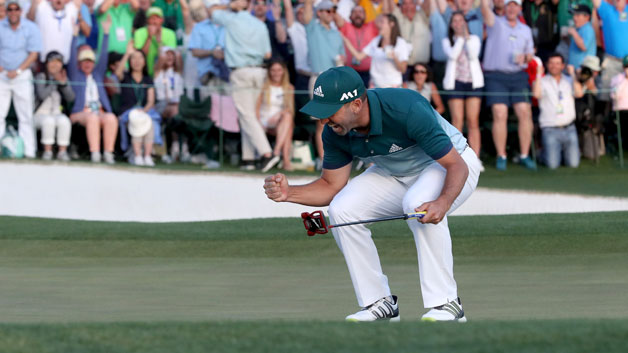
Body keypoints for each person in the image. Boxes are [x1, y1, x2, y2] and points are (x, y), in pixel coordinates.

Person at [263, 66, 481, 322]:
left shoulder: (405, 108)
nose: (324, 121)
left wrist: (443, 203)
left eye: (329, 112)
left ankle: (448, 304)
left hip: (451, 164)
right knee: (342, 209)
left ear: (356, 104)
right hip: (394, 170)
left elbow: (456, 166)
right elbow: (331, 186)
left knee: (417, 204)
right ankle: (380, 303)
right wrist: (289, 193)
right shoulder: (335, 132)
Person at [209, 0, 277, 172]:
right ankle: (248, 159)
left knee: (246, 116)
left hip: (241, 72)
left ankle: (267, 153)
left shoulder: (230, 18)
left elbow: (210, 10)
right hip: (259, 71)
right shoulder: (260, 24)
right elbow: (267, 54)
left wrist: (229, 6)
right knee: (248, 116)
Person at [481, 0, 536, 170]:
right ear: (505, 8)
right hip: (496, 76)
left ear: (520, 8)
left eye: (515, 5)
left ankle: (525, 155)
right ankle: (501, 156)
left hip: (518, 75)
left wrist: (526, 58)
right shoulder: (495, 23)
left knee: (524, 112)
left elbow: (530, 53)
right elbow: (484, 8)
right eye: (509, 5)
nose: (512, 8)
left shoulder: (525, 30)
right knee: (500, 113)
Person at [68, 15, 118, 164]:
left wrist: (107, 33)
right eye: (84, 61)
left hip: (99, 110)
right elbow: (71, 57)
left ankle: (108, 153)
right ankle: (95, 153)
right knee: (92, 118)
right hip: (81, 112)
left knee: (111, 118)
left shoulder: (97, 74)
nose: (87, 64)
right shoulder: (75, 74)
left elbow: (103, 56)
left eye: (90, 61)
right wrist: (74, 35)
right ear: (80, 63)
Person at [303, 0, 345, 168]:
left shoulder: (337, 34)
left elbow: (343, 57)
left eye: (333, 10)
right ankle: (323, 160)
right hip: (319, 78)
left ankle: (338, 160)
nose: (331, 13)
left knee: (340, 121)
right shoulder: (313, 28)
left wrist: (341, 62)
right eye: (327, 11)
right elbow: (306, 11)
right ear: (319, 13)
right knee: (322, 122)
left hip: (336, 79)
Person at [0, 0, 41, 159]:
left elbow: (33, 54)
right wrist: (3, 69)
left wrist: (18, 70)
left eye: (16, 9)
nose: (13, 12)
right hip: (2, 75)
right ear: (6, 11)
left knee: (25, 115)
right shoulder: (1, 26)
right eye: (9, 9)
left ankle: (29, 151)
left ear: (20, 10)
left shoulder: (30, 27)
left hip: (22, 75)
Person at [442, 11, 484, 158]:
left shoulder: (474, 38)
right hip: (456, 83)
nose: (458, 24)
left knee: (473, 121)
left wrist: (466, 38)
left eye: (461, 21)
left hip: (473, 83)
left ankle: (475, 157)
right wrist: (460, 39)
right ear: (452, 25)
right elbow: (453, 55)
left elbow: (473, 55)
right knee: (457, 121)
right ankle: (457, 156)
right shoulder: (447, 40)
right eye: (455, 21)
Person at [115, 40, 163, 166]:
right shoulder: (125, 77)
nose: (136, 61)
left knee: (149, 123)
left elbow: (151, 100)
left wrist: (144, 111)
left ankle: (147, 156)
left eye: (140, 58)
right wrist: (127, 54)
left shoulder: (148, 79)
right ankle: (137, 155)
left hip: (145, 111)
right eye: (133, 58)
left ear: (144, 61)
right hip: (128, 112)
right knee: (136, 121)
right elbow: (117, 73)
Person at [533, 53, 584, 168]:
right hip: (550, 129)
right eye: (551, 63)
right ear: (547, 65)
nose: (554, 66)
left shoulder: (569, 80)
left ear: (562, 66)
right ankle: (540, 153)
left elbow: (579, 93)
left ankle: (560, 152)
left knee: (573, 164)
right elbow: (536, 94)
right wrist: (538, 74)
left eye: (557, 63)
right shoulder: (542, 81)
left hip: (569, 128)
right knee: (552, 165)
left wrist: (573, 74)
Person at [342, 14, 411, 88]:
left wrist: (395, 58)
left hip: (393, 88)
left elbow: (403, 69)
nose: (379, 25)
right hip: (375, 87)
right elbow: (359, 57)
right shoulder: (376, 40)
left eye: (382, 22)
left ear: (391, 24)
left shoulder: (400, 43)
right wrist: (346, 41)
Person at [34, 51, 75, 161]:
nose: (55, 65)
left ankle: (62, 151)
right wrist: (54, 82)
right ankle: (48, 151)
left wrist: (64, 84)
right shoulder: (41, 76)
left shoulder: (63, 77)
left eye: (58, 62)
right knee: (48, 121)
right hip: (39, 114)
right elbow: (42, 95)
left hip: (56, 113)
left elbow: (71, 98)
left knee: (64, 121)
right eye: (52, 61)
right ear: (46, 63)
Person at [256, 60, 295, 170]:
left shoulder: (289, 88)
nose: (276, 73)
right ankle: (285, 160)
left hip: (280, 120)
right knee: (288, 124)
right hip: (264, 120)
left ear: (283, 71)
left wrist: (279, 114)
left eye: (279, 70)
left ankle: (276, 152)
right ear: (269, 72)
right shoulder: (263, 87)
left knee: (288, 118)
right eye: (273, 70)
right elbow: (257, 108)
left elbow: (289, 108)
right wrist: (260, 124)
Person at [593, 0, 628, 102]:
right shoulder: (607, 10)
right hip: (611, 61)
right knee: (606, 92)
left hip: (627, 62)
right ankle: (606, 117)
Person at [27, 0, 83, 65]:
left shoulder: (71, 10)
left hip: (64, 63)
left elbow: (78, 2)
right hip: (45, 62)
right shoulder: (43, 8)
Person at [335, 5, 379, 87]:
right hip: (349, 72)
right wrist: (334, 4)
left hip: (369, 73)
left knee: (368, 98)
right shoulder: (346, 26)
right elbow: (336, 17)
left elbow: (386, 15)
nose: (357, 14)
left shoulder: (372, 26)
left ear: (366, 15)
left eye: (360, 12)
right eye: (354, 12)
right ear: (350, 16)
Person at [385, 0, 432, 72]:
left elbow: (427, 3)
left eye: (410, 3)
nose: (408, 6)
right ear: (400, 6)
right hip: (404, 67)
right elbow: (390, 5)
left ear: (415, 5)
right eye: (404, 4)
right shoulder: (397, 18)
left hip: (423, 69)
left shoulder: (422, 16)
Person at [134, 7, 177, 76]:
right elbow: (140, 56)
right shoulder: (139, 32)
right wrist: (149, 37)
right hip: (144, 74)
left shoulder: (170, 33)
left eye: (157, 17)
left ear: (162, 20)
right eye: (151, 18)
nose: (154, 20)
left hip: (163, 74)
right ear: (147, 20)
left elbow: (170, 58)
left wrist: (159, 41)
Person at [566, 4, 596, 69]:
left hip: (583, 70)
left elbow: (584, 47)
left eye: (578, 15)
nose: (574, 18)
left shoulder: (588, 29)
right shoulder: (579, 29)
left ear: (587, 17)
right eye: (574, 15)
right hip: (575, 69)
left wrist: (574, 33)